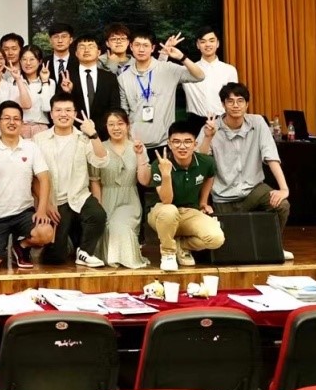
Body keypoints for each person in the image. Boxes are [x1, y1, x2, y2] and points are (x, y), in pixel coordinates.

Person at [198, 82, 294, 259]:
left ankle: (273, 246)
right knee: (229, 248)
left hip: (254, 190)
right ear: (223, 105)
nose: (235, 105)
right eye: (230, 101)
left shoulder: (257, 122)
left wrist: (284, 189)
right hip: (224, 195)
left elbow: (271, 156)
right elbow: (200, 162)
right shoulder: (211, 127)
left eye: (240, 101)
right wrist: (207, 137)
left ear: (247, 104)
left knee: (282, 205)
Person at [0, 101, 55, 269]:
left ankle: (21, 247)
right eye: (7, 118)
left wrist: (41, 209)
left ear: (22, 122)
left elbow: (44, 179)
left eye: (16, 119)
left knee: (46, 232)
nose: (12, 122)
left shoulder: (31, 147)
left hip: (23, 212)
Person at [33, 94, 108, 268]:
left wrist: (93, 134)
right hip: (54, 201)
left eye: (68, 110)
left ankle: (85, 252)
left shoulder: (84, 138)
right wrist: (46, 204)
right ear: (51, 114)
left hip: (79, 196)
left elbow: (102, 161)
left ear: (75, 113)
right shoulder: (39, 139)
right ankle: (67, 243)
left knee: (98, 215)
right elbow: (33, 177)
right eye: (58, 110)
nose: (63, 114)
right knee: (55, 258)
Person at [142, 120, 225, 271]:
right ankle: (168, 253)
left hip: (189, 212)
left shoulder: (205, 161)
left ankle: (181, 245)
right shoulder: (160, 164)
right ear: (169, 144)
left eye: (187, 141)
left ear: (195, 144)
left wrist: (203, 202)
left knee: (216, 238)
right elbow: (166, 200)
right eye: (176, 142)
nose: (182, 146)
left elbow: (209, 176)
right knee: (169, 211)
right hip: (161, 212)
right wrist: (166, 175)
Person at [117, 31, 205, 151]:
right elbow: (124, 111)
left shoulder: (168, 69)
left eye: (146, 45)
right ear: (131, 47)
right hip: (135, 143)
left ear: (153, 48)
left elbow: (199, 76)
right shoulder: (123, 77)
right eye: (137, 45)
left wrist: (182, 57)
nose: (141, 49)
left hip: (164, 142)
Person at [91, 109, 149, 269]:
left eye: (120, 123)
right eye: (111, 124)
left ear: (128, 125)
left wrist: (140, 155)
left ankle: (124, 259)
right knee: (106, 226)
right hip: (106, 197)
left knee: (119, 226)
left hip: (129, 200)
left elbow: (144, 180)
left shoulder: (137, 147)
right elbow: (95, 181)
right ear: (106, 127)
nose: (116, 128)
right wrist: (98, 207)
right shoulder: (99, 147)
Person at [65, 34, 120, 138]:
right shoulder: (67, 77)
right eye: (82, 47)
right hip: (74, 133)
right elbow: (60, 105)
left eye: (91, 46)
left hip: (103, 134)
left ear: (98, 52)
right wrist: (67, 92)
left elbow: (115, 108)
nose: (86, 50)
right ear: (76, 53)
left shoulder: (109, 77)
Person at [183, 28, 240, 123]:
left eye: (212, 41)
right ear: (198, 45)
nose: (208, 44)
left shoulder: (230, 70)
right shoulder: (187, 70)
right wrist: (164, 53)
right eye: (203, 42)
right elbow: (159, 74)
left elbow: (234, 98)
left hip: (223, 121)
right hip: (195, 122)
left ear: (218, 43)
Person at [17, 45, 53, 138]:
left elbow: (47, 107)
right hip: (19, 127)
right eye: (24, 59)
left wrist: (45, 82)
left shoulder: (50, 82)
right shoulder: (13, 81)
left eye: (32, 59)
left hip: (41, 128)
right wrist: (18, 80)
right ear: (20, 61)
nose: (28, 63)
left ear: (40, 61)